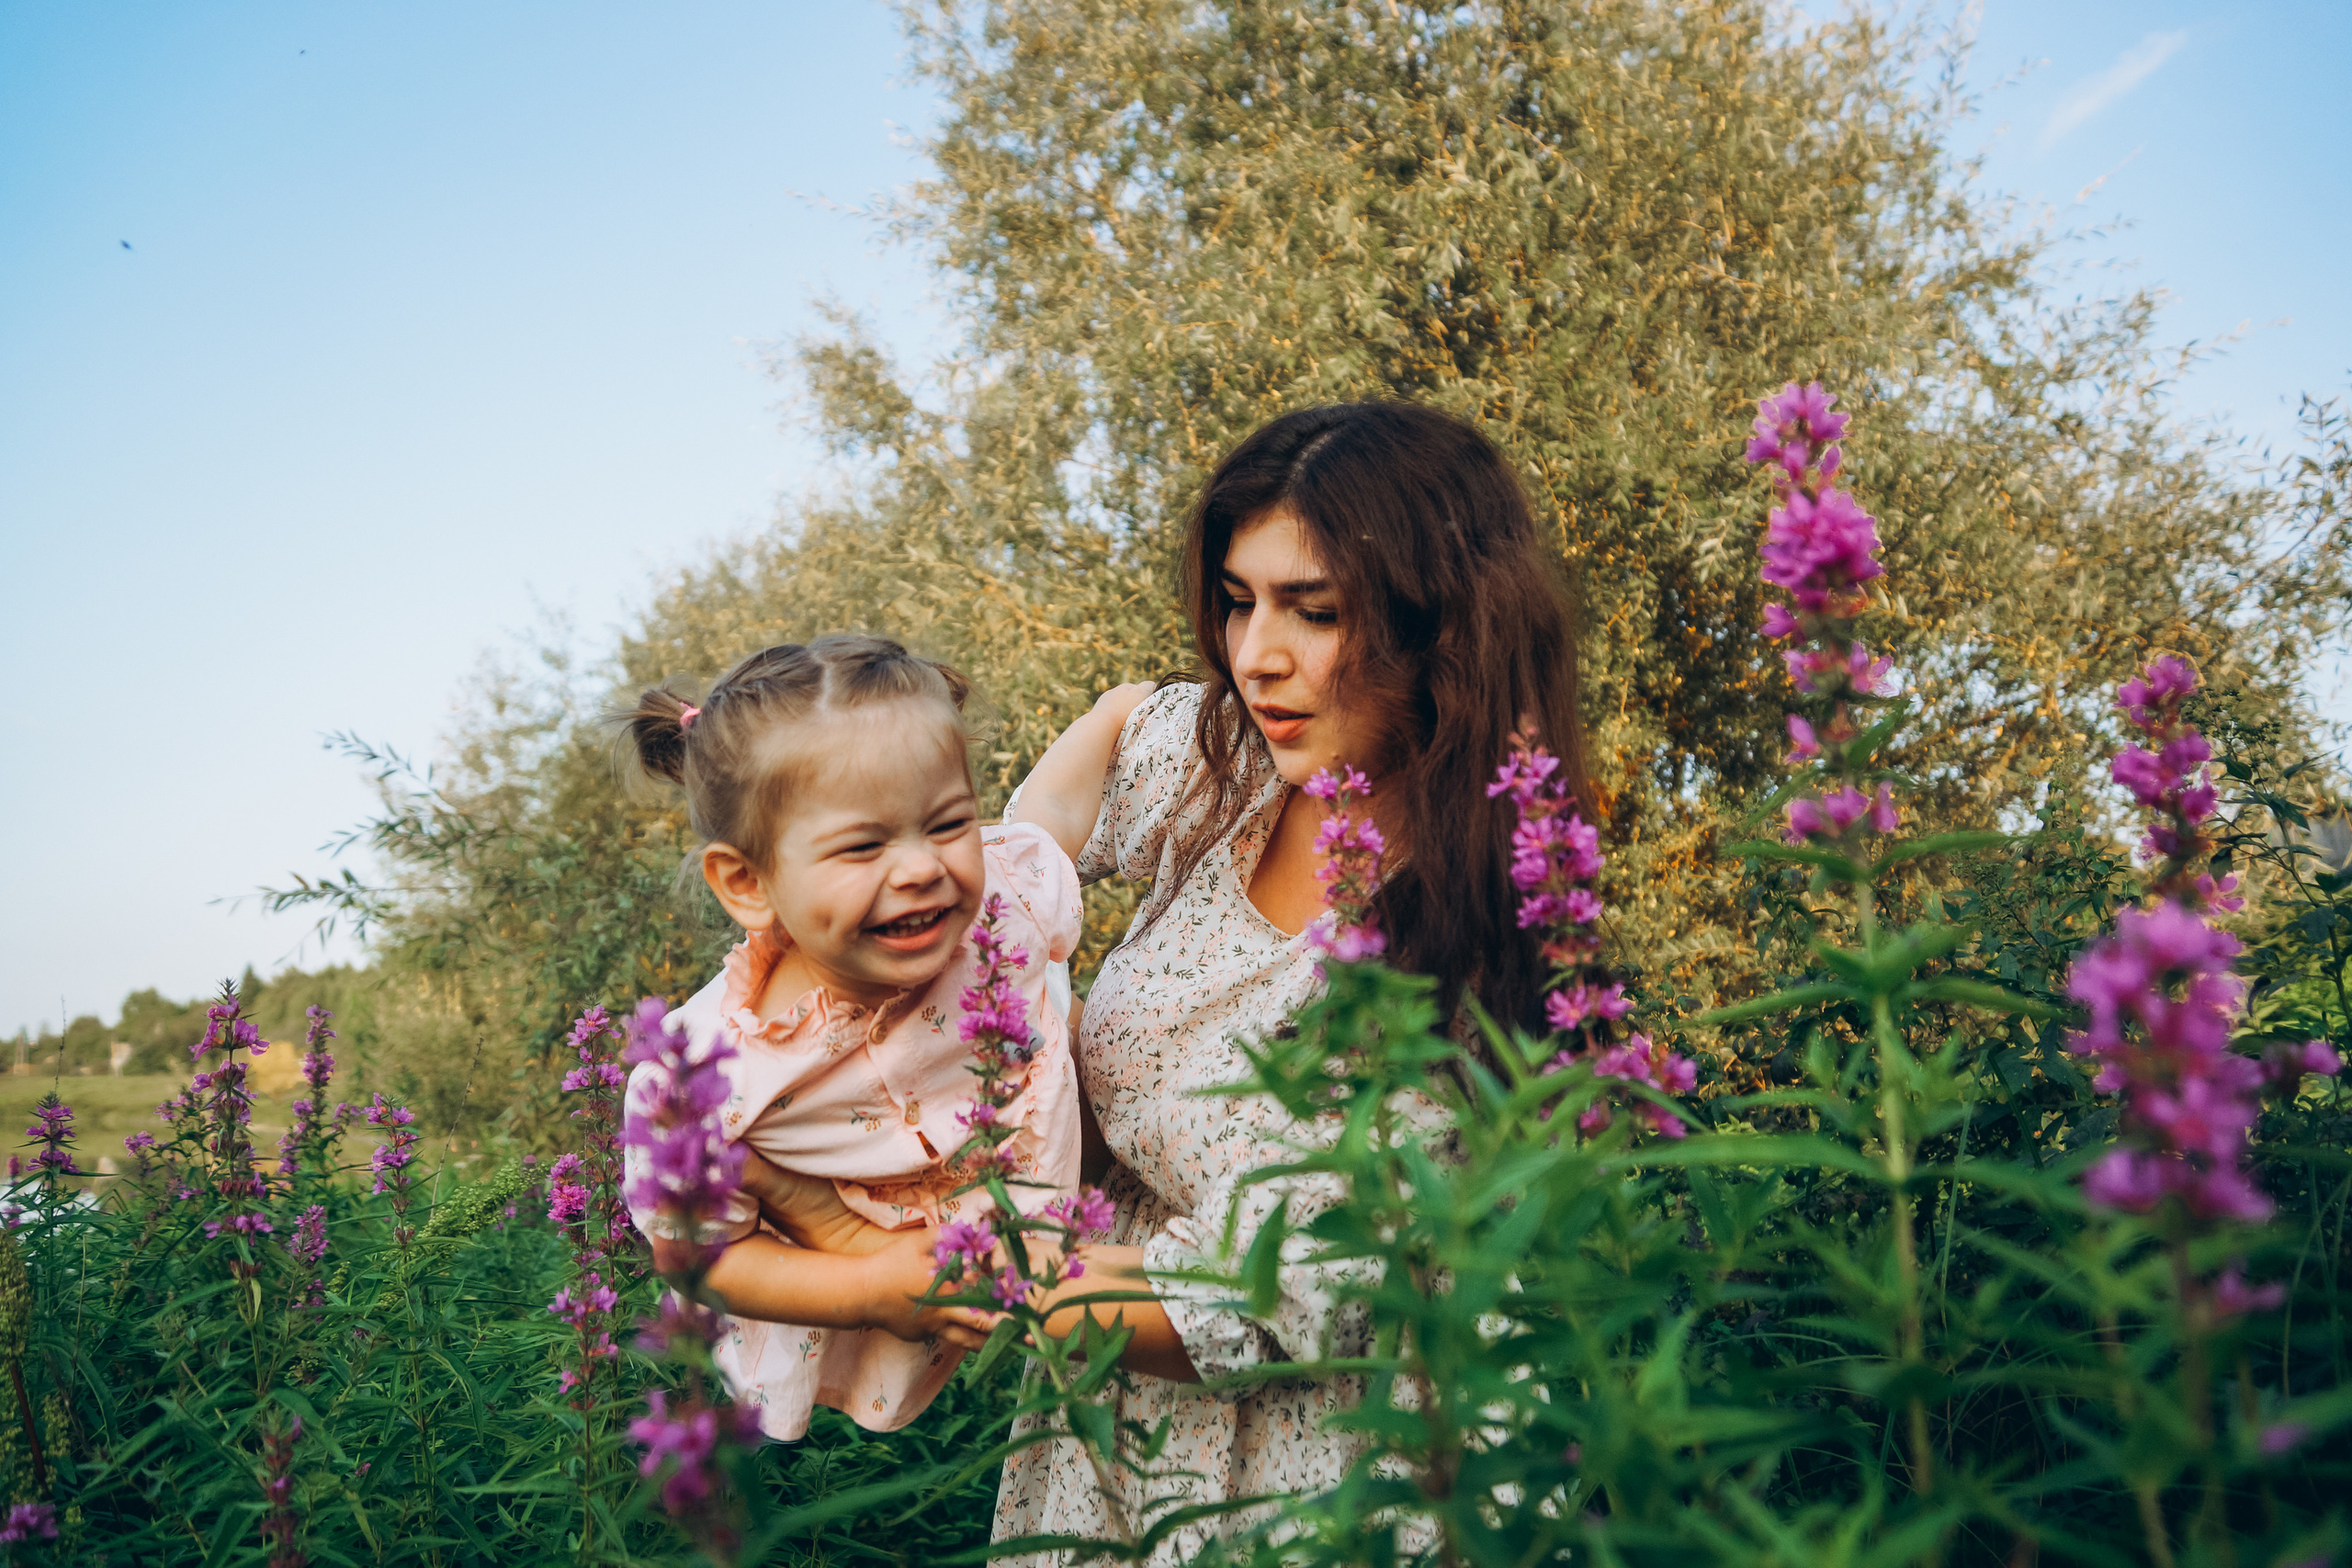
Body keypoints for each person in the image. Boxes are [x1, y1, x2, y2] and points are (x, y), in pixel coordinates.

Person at [755, 401, 1594, 1562]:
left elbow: (1248, 1303)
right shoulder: (1231, 762)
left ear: (1440, 627)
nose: (1255, 655)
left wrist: (854, 1259)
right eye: (1240, 600)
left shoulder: (1472, 937)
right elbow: (1093, 750)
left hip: (1346, 1473)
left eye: (1315, 611)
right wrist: (983, 918)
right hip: (1113, 1439)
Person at [616, 634, 1152, 1439]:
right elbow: (693, 1255)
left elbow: (1050, 814)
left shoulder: (999, 898)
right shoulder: (704, 1076)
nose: (920, 868)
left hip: (1056, 1227)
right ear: (748, 882)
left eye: (947, 822)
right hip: (884, 1295)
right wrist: (868, 1288)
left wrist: (1111, 718)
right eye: (863, 845)